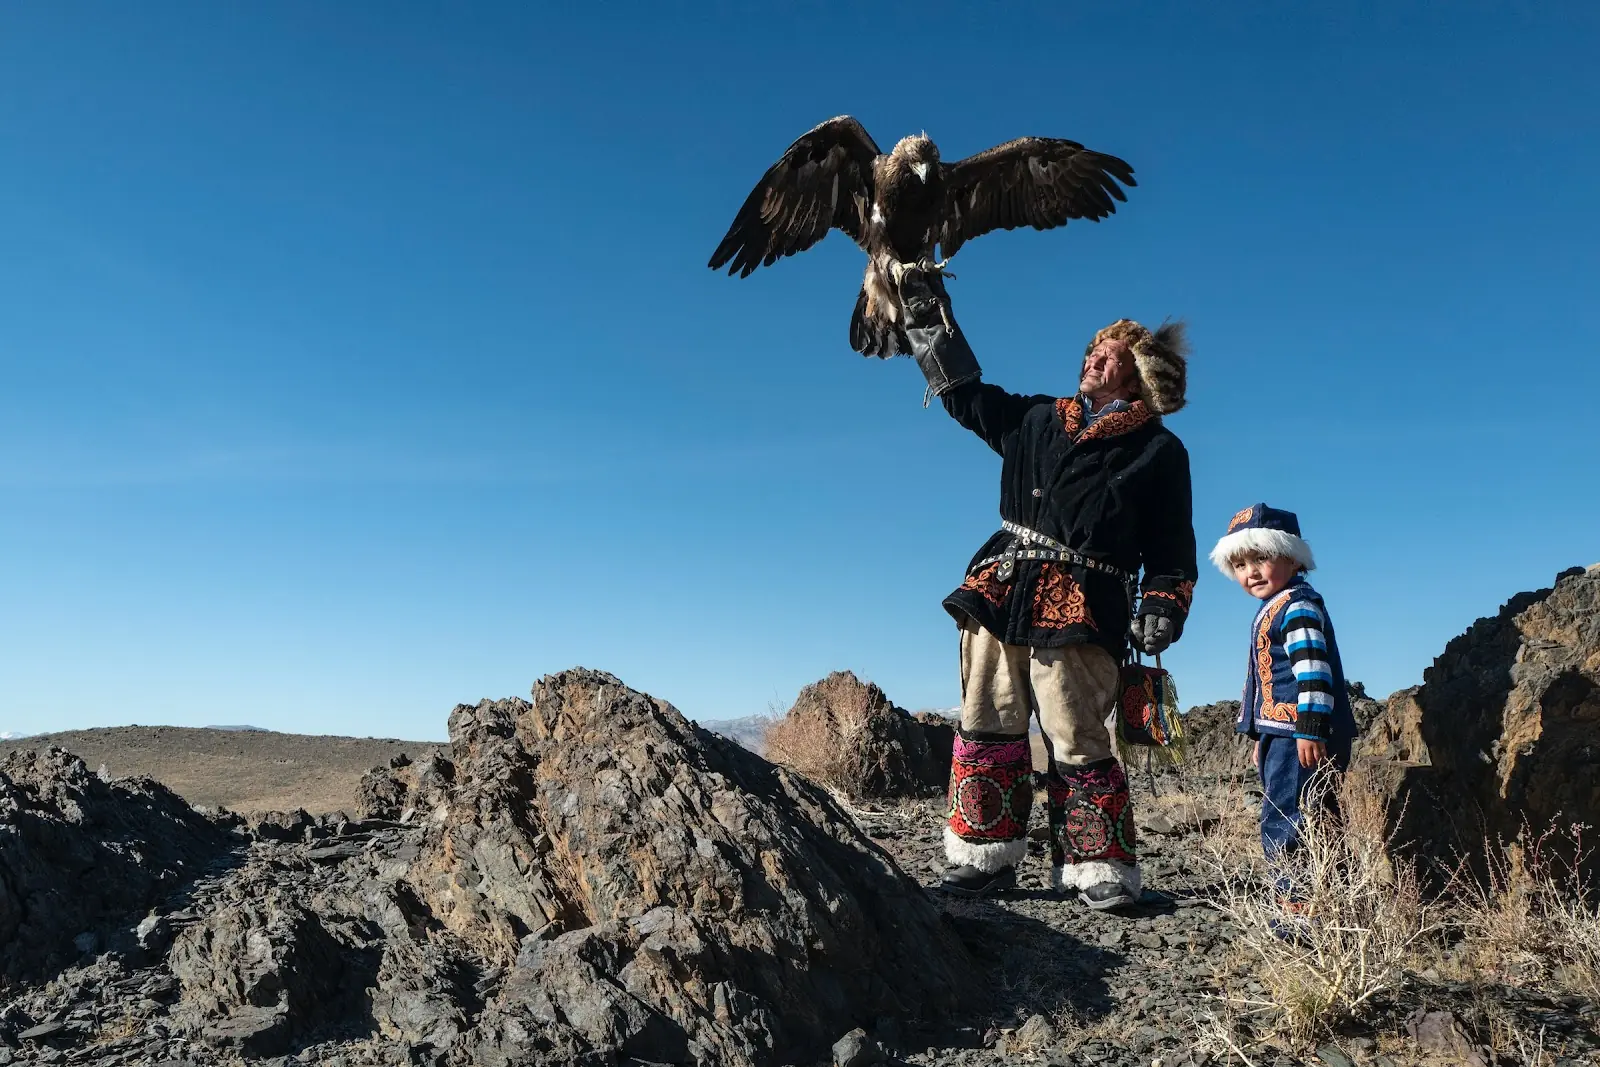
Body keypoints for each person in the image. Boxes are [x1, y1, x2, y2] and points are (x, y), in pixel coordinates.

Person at [897, 266, 1198, 909]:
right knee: (986, 713)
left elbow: (1172, 547)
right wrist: (928, 316)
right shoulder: (1034, 419)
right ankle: (985, 854)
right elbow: (966, 396)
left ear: (1137, 372)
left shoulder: (1159, 450)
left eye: (1108, 353)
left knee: (1075, 726)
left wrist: (1162, 606)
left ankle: (1097, 866)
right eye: (1091, 349)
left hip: (1087, 599)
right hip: (1002, 585)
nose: (1092, 357)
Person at [1208, 504, 1357, 866]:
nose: (1251, 572)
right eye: (1240, 565)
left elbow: (1313, 670)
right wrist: (1263, 736)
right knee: (1315, 815)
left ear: (1292, 558)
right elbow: (1268, 681)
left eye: (1261, 558)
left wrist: (1310, 727)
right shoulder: (1277, 606)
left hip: (1301, 733)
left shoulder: (1296, 607)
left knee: (1287, 817)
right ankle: (1329, 900)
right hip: (1285, 732)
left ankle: (1296, 908)